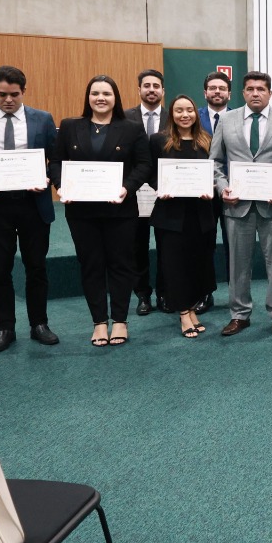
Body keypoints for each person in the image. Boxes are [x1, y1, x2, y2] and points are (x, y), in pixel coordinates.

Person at [0, 65, 60, 354]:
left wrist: (48, 179)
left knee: (37, 267)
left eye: (14, 94)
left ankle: (39, 324)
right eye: (2, 94)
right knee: (0, 272)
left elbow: (55, 159)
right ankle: (5, 328)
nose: (8, 100)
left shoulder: (42, 120)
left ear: (23, 92)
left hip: (34, 205)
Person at [54, 76, 153, 347]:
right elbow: (57, 162)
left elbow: (144, 165)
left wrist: (127, 188)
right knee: (91, 265)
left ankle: (120, 319)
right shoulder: (70, 126)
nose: (101, 98)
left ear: (115, 97)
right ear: (88, 97)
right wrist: (61, 186)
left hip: (120, 209)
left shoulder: (132, 128)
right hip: (81, 212)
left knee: (121, 264)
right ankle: (99, 321)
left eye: (106, 93)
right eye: (95, 93)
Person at [211, 71, 272, 337]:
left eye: (261, 89)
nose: (255, 93)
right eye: (250, 89)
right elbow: (215, 161)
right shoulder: (226, 120)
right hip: (237, 205)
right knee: (238, 263)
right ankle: (239, 315)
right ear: (242, 93)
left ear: (270, 93)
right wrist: (221, 187)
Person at [150, 95, 217, 339]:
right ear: (171, 114)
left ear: (196, 113)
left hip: (200, 214)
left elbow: (215, 170)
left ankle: (191, 308)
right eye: (179, 110)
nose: (185, 114)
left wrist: (211, 186)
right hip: (170, 214)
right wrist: (161, 187)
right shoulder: (159, 140)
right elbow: (150, 171)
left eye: (189, 110)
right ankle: (184, 313)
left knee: (196, 263)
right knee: (174, 264)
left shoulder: (206, 140)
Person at [125, 68, 167, 316]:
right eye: (146, 85)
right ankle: (142, 294)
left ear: (163, 90)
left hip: (165, 191)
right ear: (139, 89)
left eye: (156, 86)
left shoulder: (174, 116)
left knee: (167, 244)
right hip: (135, 191)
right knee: (136, 245)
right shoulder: (125, 117)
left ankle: (165, 292)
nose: (151, 90)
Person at [196, 69, 231, 313]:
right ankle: (204, 293)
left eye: (222, 88)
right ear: (205, 92)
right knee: (204, 244)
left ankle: (237, 296)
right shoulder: (191, 117)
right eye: (212, 88)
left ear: (229, 93)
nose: (217, 92)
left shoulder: (240, 118)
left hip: (233, 192)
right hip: (201, 193)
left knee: (235, 245)